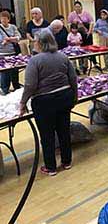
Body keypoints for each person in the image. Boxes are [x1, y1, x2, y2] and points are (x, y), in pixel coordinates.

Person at [19, 30, 77, 176]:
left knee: (47, 135)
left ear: (39, 43)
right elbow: (73, 78)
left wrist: (23, 102)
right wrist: (74, 97)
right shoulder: (63, 56)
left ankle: (50, 167)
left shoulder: (35, 60)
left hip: (44, 101)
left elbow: (30, 85)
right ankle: (66, 161)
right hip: (64, 97)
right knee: (64, 130)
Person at [68, 1, 97, 73]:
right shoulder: (71, 15)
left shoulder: (86, 14)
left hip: (86, 34)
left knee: (86, 50)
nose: (77, 8)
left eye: (79, 6)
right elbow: (69, 24)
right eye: (76, 7)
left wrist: (89, 32)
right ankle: (80, 66)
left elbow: (91, 22)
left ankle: (86, 65)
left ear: (81, 7)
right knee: (78, 50)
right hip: (77, 35)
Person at [0, 11, 21, 95]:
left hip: (13, 53)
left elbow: (18, 37)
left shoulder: (13, 27)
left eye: (5, 19)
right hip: (2, 54)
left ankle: (16, 88)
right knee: (5, 72)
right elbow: (2, 41)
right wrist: (12, 39)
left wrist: (9, 39)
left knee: (14, 71)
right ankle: (5, 89)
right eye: (1, 19)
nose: (3, 21)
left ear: (8, 19)